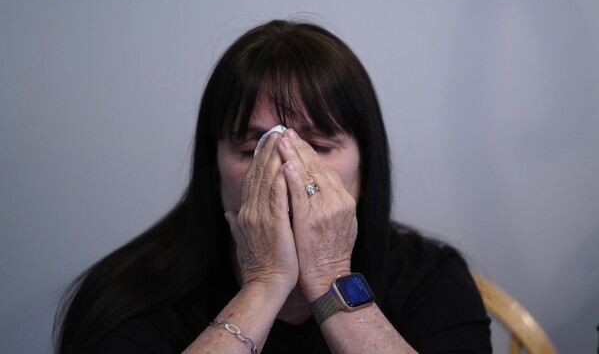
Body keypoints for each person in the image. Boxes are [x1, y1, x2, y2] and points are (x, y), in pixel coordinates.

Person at [54, 20, 491, 354]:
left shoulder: (430, 279)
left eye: (317, 146)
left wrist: (329, 276)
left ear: (367, 168)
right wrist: (263, 285)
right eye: (251, 149)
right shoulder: (126, 295)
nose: (285, 170)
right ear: (213, 167)